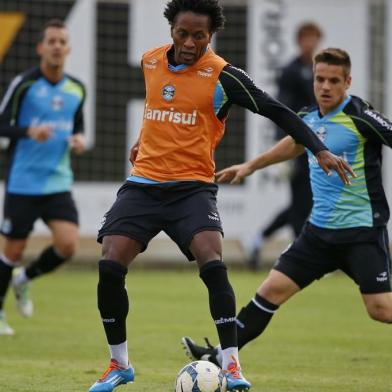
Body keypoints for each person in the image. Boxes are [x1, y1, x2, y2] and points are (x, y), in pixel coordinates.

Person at [88, 1, 352, 390]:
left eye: (200, 35)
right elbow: (160, 106)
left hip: (192, 188)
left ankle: (231, 365)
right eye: (183, 33)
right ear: (171, 29)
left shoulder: (224, 76)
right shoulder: (150, 62)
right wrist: (143, 139)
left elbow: (278, 111)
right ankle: (119, 364)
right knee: (110, 265)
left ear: (210, 35)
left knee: (212, 263)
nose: (191, 42)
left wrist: (319, 148)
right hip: (144, 185)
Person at [181, 48, 392, 369]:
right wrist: (251, 166)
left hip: (361, 233)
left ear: (347, 82)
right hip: (317, 235)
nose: (325, 87)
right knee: (271, 290)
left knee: (381, 310)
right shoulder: (308, 117)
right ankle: (221, 357)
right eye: (320, 79)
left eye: (334, 81)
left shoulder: (360, 117)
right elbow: (293, 143)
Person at [0, 19, 86, 336]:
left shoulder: (77, 89)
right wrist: (28, 131)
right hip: (23, 181)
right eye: (51, 41)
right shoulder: (24, 85)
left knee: (68, 244)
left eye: (62, 41)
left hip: (57, 181)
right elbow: (1, 124)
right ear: (40, 48)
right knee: (12, 251)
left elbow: (77, 127)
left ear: (68, 49)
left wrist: (78, 140)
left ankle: (25, 280)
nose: (56, 46)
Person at [245, 22, 323, 270]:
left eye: (314, 38)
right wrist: (284, 148)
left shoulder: (318, 70)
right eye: (306, 38)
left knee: (305, 203)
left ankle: (258, 239)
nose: (310, 43)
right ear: (299, 40)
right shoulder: (291, 71)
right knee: (301, 203)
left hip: (316, 144)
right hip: (297, 145)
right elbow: (283, 110)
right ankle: (301, 257)